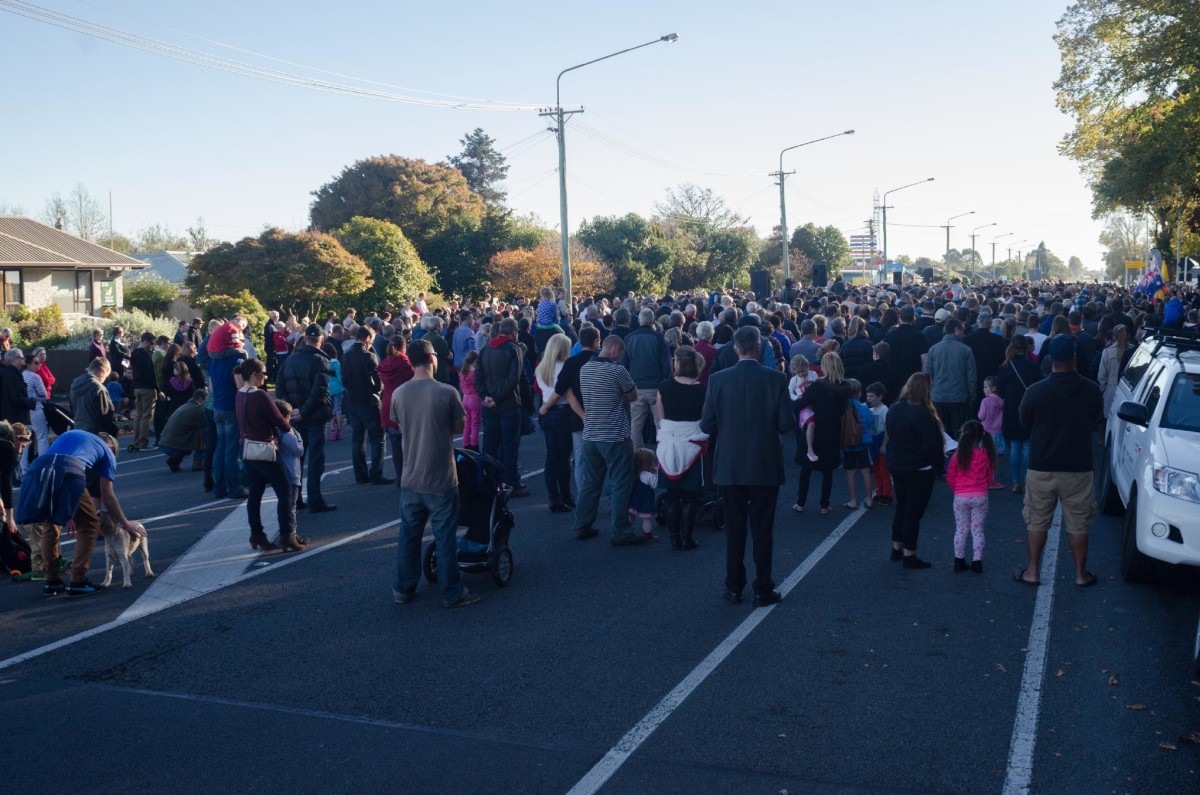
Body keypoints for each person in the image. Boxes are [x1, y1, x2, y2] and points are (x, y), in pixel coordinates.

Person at [701, 325, 792, 607]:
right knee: (763, 529)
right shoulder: (775, 379)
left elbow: (707, 424)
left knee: (735, 529)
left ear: (736, 348)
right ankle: (763, 587)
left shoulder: (718, 380)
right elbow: (786, 424)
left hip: (730, 464)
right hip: (764, 463)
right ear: (758, 347)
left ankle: (734, 587)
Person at [390, 338, 479, 608]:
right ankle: (451, 591)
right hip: (440, 475)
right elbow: (458, 426)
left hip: (410, 475)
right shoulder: (446, 392)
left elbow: (397, 421)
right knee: (445, 536)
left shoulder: (399, 393)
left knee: (409, 535)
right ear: (431, 358)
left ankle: (403, 587)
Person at [1014, 335, 1104, 588]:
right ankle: (1080, 574)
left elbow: (1024, 421)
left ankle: (1032, 571)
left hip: (1043, 465)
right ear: (1073, 359)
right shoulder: (1091, 389)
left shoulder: (1036, 391)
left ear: (1050, 359)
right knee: (1078, 524)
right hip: (1078, 467)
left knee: (1037, 520)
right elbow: (1097, 418)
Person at [14, 430, 146, 596]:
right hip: (68, 469)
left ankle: (51, 580)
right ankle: (78, 579)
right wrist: (126, 524)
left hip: (38, 468)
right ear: (111, 446)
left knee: (51, 524)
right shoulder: (108, 453)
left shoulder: (74, 435)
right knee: (90, 523)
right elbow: (108, 495)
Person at [571, 334, 641, 545]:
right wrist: (621, 397)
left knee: (591, 483)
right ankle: (620, 531)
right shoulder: (617, 370)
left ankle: (581, 525)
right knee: (621, 482)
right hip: (614, 434)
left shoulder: (586, 369)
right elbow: (633, 394)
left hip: (591, 433)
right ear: (617, 350)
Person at [236, 358, 301, 552]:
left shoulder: (240, 394)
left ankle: (257, 533)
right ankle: (287, 534)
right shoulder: (260, 396)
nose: (265, 377)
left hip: (248, 449)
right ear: (255, 375)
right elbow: (280, 421)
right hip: (264, 449)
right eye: (263, 373)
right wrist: (290, 427)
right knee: (285, 491)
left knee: (255, 493)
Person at [884, 372, 945, 569]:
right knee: (914, 511)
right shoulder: (924, 415)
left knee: (901, 506)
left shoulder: (894, 409)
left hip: (897, 463)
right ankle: (909, 553)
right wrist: (939, 468)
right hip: (919, 467)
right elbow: (933, 446)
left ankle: (896, 547)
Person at [275, 324, 336, 512]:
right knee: (316, 459)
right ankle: (315, 499)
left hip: (295, 415)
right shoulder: (320, 361)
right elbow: (319, 391)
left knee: (296, 458)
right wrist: (303, 410)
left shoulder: (290, 360)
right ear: (321, 340)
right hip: (314, 415)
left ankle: (297, 497)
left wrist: (292, 410)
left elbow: (280, 387)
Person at [655, 346, 708, 551]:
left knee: (672, 495)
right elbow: (704, 418)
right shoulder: (701, 389)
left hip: (669, 442)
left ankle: (674, 537)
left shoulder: (663, 386)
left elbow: (661, 418)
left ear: (677, 362)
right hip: (692, 443)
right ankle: (687, 537)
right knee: (689, 496)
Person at [793, 351, 852, 514]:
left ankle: (800, 503)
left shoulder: (818, 386)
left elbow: (799, 406)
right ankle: (824, 505)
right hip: (832, 430)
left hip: (814, 428)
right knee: (827, 471)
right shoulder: (845, 387)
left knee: (806, 469)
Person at [476, 318, 528, 497]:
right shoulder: (513, 350)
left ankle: (490, 481)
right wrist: (495, 398)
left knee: (490, 444)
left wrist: (486, 397)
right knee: (509, 446)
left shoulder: (485, 350)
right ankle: (510, 482)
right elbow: (514, 379)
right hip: (508, 404)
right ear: (513, 332)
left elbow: (478, 377)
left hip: (490, 404)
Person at [342, 325, 393, 486]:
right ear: (367, 338)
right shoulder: (369, 356)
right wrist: (377, 391)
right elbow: (378, 382)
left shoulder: (346, 356)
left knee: (358, 439)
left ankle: (360, 474)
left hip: (352, 400)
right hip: (369, 401)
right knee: (378, 438)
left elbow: (344, 379)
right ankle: (376, 474)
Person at [946, 419, 996, 573]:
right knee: (977, 530)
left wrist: (958, 489)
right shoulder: (985, 455)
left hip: (961, 495)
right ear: (981, 436)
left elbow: (950, 476)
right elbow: (990, 477)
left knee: (961, 529)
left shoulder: (957, 456)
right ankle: (977, 562)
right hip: (980, 495)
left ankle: (959, 561)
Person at [995, 336, 1041, 494]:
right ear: (1027, 348)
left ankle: (1016, 482)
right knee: (1028, 446)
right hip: (1030, 408)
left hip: (1011, 409)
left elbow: (999, 391)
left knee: (1015, 446)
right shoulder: (1033, 366)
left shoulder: (1005, 367)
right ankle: (1029, 481)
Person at [534, 333, 573, 512]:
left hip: (547, 413)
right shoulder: (564, 367)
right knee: (563, 458)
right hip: (562, 412)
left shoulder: (542, 367)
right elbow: (565, 393)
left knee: (552, 458)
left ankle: (553, 497)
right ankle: (565, 494)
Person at [623, 308, 671, 447]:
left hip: (636, 388)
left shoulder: (629, 338)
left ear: (639, 320)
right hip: (656, 388)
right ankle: (662, 456)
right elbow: (666, 366)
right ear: (653, 320)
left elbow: (624, 365)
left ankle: (637, 457)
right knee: (660, 424)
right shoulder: (659, 338)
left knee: (636, 426)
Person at [924, 318, 976, 440]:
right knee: (960, 432)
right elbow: (971, 378)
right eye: (962, 331)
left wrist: (929, 396)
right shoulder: (966, 350)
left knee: (942, 432)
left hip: (938, 396)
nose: (964, 334)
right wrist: (971, 397)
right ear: (956, 330)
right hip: (959, 397)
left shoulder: (934, 349)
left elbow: (928, 375)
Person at [379, 337, 414, 485]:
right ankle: (410, 476)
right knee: (410, 444)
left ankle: (400, 477)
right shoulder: (405, 364)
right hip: (404, 406)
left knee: (395, 445)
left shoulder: (383, 364)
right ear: (403, 347)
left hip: (388, 404)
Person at [841, 378, 875, 510]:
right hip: (862, 443)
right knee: (865, 471)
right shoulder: (863, 408)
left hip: (848, 443)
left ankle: (853, 500)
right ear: (859, 393)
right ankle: (869, 498)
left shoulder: (843, 408)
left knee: (850, 472)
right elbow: (870, 423)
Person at [159, 388, 207, 472]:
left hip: (165, 442)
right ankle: (198, 462)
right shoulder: (197, 410)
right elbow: (210, 423)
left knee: (196, 432)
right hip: (174, 446)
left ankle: (175, 459)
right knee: (208, 432)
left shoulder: (186, 406)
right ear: (201, 400)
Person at [865, 382, 892, 505]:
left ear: (880, 396)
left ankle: (887, 494)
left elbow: (887, 428)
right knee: (876, 469)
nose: (869, 398)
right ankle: (880, 492)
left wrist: (884, 445)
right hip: (873, 441)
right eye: (868, 396)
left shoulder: (884, 410)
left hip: (880, 440)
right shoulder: (870, 410)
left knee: (883, 470)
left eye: (872, 396)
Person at [788, 355, 818, 465]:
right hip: (803, 406)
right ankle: (809, 450)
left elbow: (817, 387)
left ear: (807, 366)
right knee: (811, 423)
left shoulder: (813, 375)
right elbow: (789, 392)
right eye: (798, 372)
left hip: (814, 403)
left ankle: (810, 447)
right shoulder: (794, 380)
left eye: (803, 371)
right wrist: (796, 397)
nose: (801, 374)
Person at [1096, 324, 1130, 417]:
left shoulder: (1107, 352)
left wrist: (1104, 388)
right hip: (1128, 394)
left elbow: (1101, 375)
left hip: (1111, 389)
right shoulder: (1133, 351)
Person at [629, 447, 660, 543]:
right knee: (646, 519)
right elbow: (654, 485)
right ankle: (647, 534)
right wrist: (657, 474)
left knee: (631, 516)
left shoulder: (635, 473)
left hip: (634, 499)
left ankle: (626, 531)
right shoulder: (648, 475)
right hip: (645, 501)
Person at [459, 351, 482, 453]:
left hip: (465, 398)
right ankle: (474, 445)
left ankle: (466, 444)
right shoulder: (474, 373)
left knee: (467, 424)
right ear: (474, 361)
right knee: (475, 424)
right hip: (475, 399)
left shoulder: (462, 373)